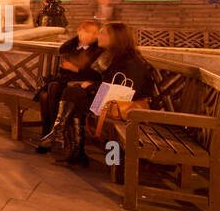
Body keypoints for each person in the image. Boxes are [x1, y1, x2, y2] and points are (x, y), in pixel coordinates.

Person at [53, 21, 154, 166]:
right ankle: (70, 146)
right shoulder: (116, 56)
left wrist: (91, 87)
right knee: (72, 94)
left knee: (74, 95)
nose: (98, 35)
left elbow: (123, 90)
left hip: (126, 108)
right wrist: (91, 86)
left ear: (116, 38)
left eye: (103, 33)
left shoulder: (130, 61)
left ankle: (67, 142)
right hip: (113, 102)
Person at [34, 20, 102, 153]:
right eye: (87, 32)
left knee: (50, 90)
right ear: (79, 31)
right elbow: (62, 57)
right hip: (66, 82)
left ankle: (53, 135)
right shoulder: (72, 46)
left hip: (80, 86)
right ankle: (50, 134)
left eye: (95, 33)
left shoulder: (97, 50)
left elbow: (96, 74)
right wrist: (77, 40)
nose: (91, 36)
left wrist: (76, 69)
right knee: (44, 95)